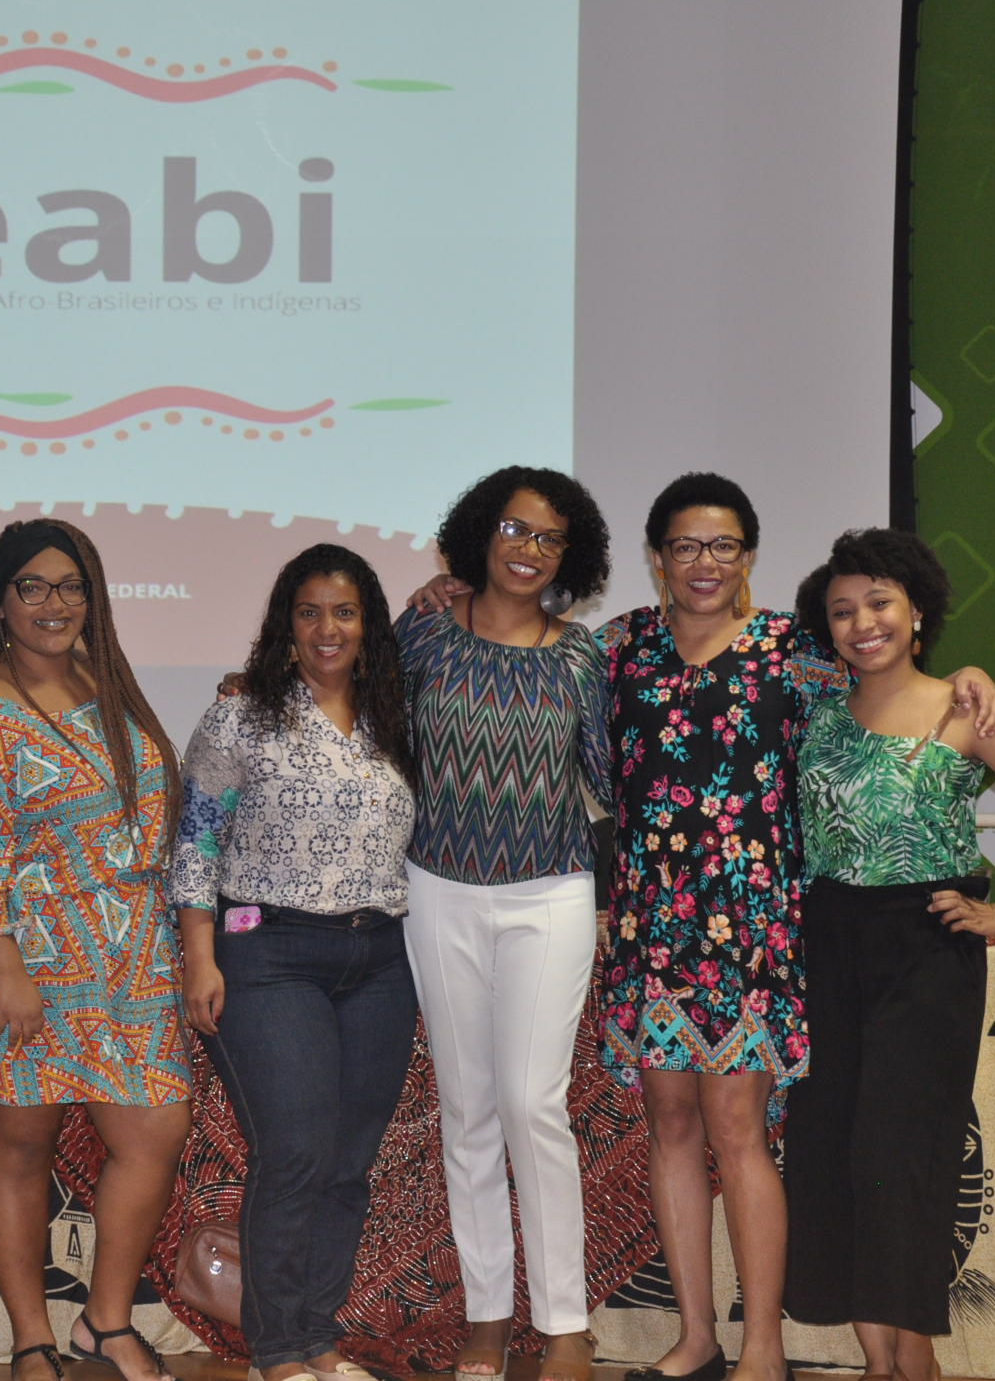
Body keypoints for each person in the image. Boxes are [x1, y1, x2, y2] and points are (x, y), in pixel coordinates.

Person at [411, 473, 995, 1381]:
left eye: (723, 546)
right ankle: (696, 1337)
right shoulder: (616, 648)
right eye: (685, 546)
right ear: (656, 559)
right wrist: (443, 590)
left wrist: (967, 676)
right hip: (651, 921)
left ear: (748, 557)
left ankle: (762, 1344)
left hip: (753, 924)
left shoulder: (796, 651)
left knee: (739, 1127)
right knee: (671, 1124)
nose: (704, 562)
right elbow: (543, 704)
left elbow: (891, 681)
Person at [783, 529, 995, 1381]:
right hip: (827, 944)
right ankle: (875, 1357)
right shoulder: (814, 712)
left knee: (902, 1153)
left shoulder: (965, 709)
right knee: (835, 1149)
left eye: (879, 603)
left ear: (918, 611)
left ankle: (915, 1354)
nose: (863, 624)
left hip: (926, 948)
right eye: (842, 611)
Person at [0, 519, 189, 1381]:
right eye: (31, 586)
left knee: (155, 1129)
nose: (54, 603)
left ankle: (104, 1323)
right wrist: (6, 972)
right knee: (20, 1147)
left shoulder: (102, 681)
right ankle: (31, 1338)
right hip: (23, 961)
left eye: (71, 586)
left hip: (128, 958)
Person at [170, 544, 420, 1381]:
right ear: (286, 623)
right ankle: (276, 1351)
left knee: (349, 1164)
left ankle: (318, 1337)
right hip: (268, 954)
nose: (327, 629)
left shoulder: (395, 717)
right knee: (298, 1152)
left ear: (367, 625)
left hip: (380, 960)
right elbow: (196, 842)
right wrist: (200, 957)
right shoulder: (240, 717)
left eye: (344, 612)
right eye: (309, 612)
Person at [397, 467, 614, 1381]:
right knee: (468, 1110)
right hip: (437, 888)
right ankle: (486, 1316)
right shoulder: (421, 632)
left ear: (571, 556)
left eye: (550, 538)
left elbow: (606, 784)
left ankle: (565, 1322)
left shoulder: (580, 656)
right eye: (516, 529)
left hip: (549, 895)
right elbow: (360, 724)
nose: (529, 550)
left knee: (533, 1104)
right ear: (482, 533)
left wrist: (617, 897)